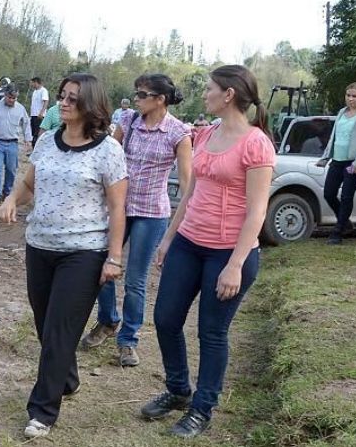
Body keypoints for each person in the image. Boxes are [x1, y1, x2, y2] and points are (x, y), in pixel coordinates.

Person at [142, 65, 275, 438]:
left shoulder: (256, 144)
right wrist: (169, 238)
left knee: (211, 333)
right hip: (189, 242)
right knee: (166, 319)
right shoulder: (204, 134)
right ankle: (178, 390)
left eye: (209, 88)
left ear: (228, 94)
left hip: (229, 252)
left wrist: (235, 265)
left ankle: (202, 408)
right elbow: (191, 193)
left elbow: (257, 211)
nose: (204, 94)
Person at [0, 73, 128, 439]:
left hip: (83, 253)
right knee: (45, 323)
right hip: (40, 246)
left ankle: (42, 410)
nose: (63, 102)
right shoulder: (46, 141)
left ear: (90, 104)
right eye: (62, 96)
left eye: (72, 98)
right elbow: (28, 185)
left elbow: (118, 208)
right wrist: (11, 199)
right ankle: (66, 379)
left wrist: (114, 258)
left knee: (58, 330)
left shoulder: (108, 151)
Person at [80, 74, 193, 369]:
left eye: (143, 94)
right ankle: (108, 321)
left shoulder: (179, 133)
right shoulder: (128, 121)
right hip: (118, 207)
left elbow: (186, 181)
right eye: (137, 93)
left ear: (160, 100)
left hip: (152, 213)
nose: (137, 98)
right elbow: (107, 155)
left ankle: (128, 340)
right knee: (103, 266)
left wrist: (185, 222)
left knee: (135, 281)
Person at [316, 82, 356, 244]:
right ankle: (345, 223)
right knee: (328, 193)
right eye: (348, 95)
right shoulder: (342, 112)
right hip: (337, 159)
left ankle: (337, 232)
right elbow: (334, 136)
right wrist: (325, 156)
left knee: (346, 196)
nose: (350, 99)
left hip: (355, 162)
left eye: (354, 96)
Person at [0, 83, 32, 205]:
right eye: (10, 97)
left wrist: (28, 139)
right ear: (5, 95)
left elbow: (26, 123)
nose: (12, 100)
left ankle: (7, 192)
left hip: (13, 143)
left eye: (14, 98)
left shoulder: (20, 108)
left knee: (11, 170)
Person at [29, 77, 50, 147]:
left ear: (36, 82)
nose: (32, 85)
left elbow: (46, 102)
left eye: (33, 83)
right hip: (33, 115)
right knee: (33, 133)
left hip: (39, 116)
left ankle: (37, 149)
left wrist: (41, 112)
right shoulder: (35, 92)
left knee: (38, 133)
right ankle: (33, 149)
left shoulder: (43, 91)